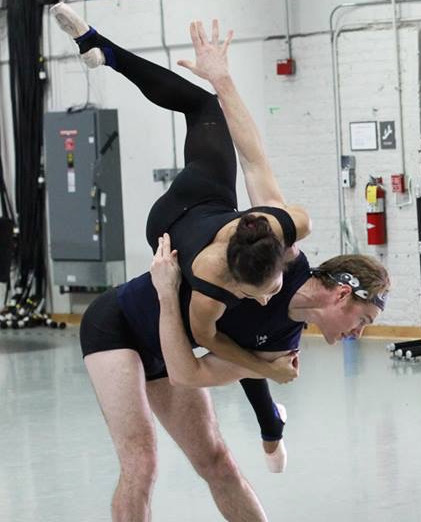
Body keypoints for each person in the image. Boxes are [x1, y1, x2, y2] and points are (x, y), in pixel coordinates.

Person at [51, 2, 310, 470]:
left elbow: (253, 157)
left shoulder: (280, 224)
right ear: (234, 278)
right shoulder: (211, 284)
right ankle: (271, 426)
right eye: (263, 290)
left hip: (199, 199)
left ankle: (105, 49)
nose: (271, 295)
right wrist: (266, 367)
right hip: (173, 229)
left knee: (205, 106)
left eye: (273, 282)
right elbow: (200, 362)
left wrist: (222, 81)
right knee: (244, 335)